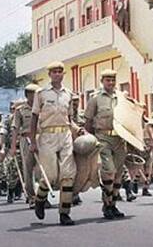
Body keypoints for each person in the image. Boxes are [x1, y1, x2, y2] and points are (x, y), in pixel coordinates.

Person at [30, 61, 83, 226]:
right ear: (49, 75)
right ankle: (40, 199)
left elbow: (70, 119)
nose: (57, 74)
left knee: (68, 175)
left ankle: (64, 213)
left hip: (65, 135)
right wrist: (33, 141)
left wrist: (79, 130)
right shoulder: (41, 93)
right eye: (54, 72)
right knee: (50, 175)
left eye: (60, 71)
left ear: (63, 74)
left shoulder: (68, 94)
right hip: (47, 136)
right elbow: (34, 118)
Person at [84, 69, 128, 220]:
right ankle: (106, 204)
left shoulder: (122, 97)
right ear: (102, 81)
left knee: (118, 175)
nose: (110, 83)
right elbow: (88, 121)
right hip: (103, 138)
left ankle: (113, 204)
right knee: (109, 171)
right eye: (108, 80)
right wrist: (90, 141)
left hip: (119, 139)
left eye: (113, 80)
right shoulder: (95, 99)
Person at [10, 84, 39, 208]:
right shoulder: (20, 110)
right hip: (25, 139)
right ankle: (31, 197)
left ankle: (42, 196)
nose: (37, 96)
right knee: (28, 169)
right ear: (27, 95)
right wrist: (12, 146)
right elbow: (15, 129)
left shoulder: (42, 108)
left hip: (41, 138)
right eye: (34, 94)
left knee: (43, 168)